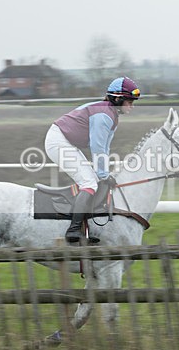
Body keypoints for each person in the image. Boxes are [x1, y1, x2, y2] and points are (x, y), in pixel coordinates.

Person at [44, 76, 141, 244]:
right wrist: (103, 174)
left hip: (66, 141)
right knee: (89, 183)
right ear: (118, 99)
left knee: (94, 181)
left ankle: (84, 229)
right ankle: (73, 231)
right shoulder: (104, 115)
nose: (132, 106)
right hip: (58, 141)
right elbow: (97, 148)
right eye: (129, 101)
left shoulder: (112, 115)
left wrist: (105, 174)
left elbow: (105, 148)